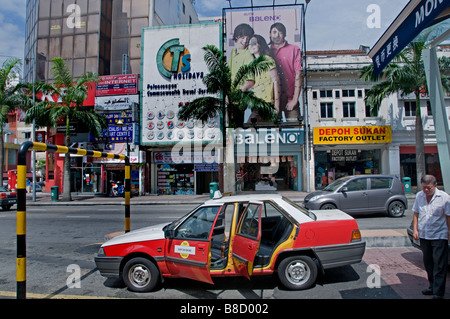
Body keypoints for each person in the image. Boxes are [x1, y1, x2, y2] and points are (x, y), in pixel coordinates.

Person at [412, 174, 450, 299]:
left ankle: (439, 292)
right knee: (428, 263)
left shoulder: (444, 198)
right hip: (424, 234)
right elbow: (416, 213)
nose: (426, 190)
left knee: (439, 264)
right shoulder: (419, 196)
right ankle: (432, 286)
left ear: (435, 185)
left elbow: (448, 216)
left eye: (429, 188)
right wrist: (415, 230)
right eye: (424, 188)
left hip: (439, 234)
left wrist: (449, 233)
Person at [268, 22, 302, 121]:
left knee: (295, 131)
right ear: (270, 34)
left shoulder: (294, 49)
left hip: (290, 98)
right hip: (272, 101)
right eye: (274, 32)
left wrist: (295, 99)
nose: (277, 35)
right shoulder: (266, 52)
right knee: (273, 133)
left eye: (280, 32)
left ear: (284, 34)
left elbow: (298, 74)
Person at [245, 34, 280, 122]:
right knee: (250, 131)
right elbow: (250, 83)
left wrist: (276, 106)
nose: (251, 46)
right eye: (249, 44)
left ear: (260, 44)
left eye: (254, 43)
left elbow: (276, 81)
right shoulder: (252, 64)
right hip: (256, 105)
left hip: (267, 104)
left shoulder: (267, 60)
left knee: (270, 132)